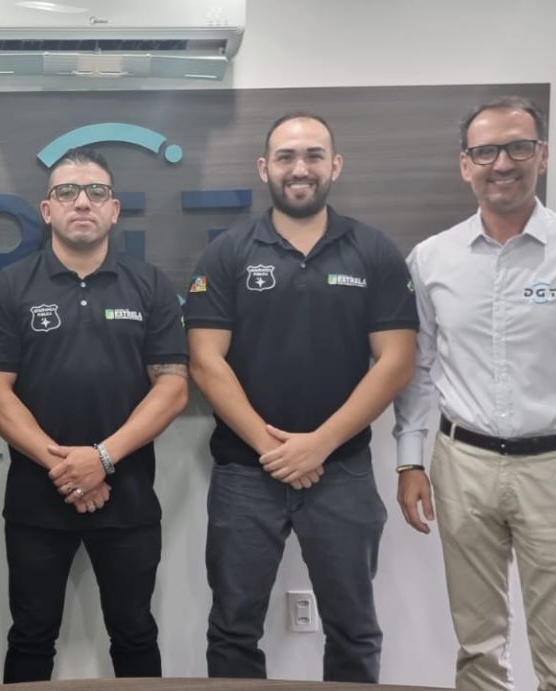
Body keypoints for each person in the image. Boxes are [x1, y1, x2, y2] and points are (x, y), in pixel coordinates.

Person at [392, 96, 556, 691]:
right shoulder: (431, 259)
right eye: (485, 151)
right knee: (477, 647)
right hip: (462, 465)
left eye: (518, 147)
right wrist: (410, 461)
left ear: (543, 155)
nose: (502, 163)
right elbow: (418, 370)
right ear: (465, 164)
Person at [185, 113, 418, 682]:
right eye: (286, 157)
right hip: (246, 471)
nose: (300, 168)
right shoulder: (227, 253)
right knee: (233, 628)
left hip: (341, 470)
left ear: (334, 166)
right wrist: (274, 448)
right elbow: (205, 361)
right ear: (264, 168)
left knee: (354, 629)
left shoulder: (374, 250)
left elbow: (396, 361)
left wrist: (319, 445)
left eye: (313, 155)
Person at [0, 147, 189, 682]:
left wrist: (103, 458)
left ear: (114, 210)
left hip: (129, 496)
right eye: (67, 191)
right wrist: (67, 468)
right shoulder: (10, 287)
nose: (82, 202)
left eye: (96, 192)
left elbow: (172, 388)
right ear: (47, 210)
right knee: (30, 636)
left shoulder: (150, 285)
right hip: (37, 498)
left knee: (135, 634)